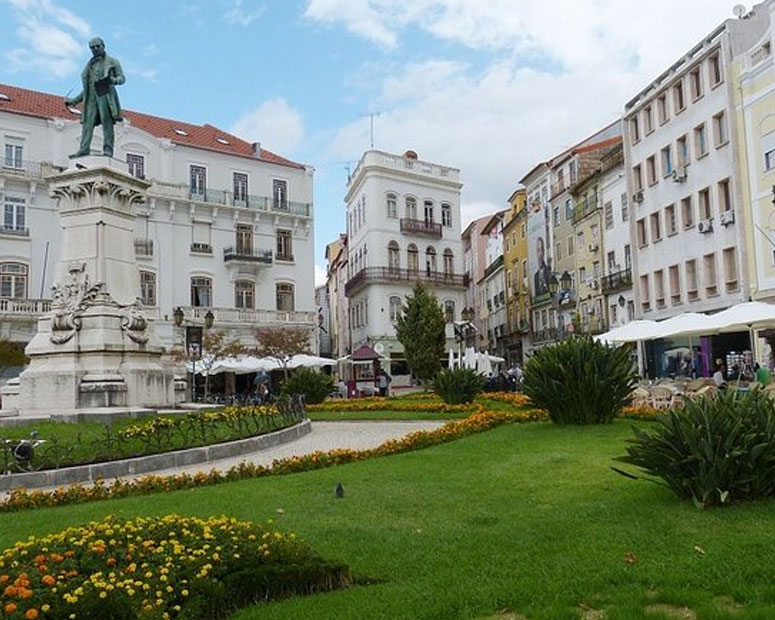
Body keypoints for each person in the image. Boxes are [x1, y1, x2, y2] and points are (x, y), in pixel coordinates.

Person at [65, 37, 125, 158]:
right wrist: (74, 101)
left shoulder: (113, 62)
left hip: (105, 96)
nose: (95, 49)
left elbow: (122, 78)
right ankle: (84, 149)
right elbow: (87, 89)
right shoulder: (89, 65)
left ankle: (108, 149)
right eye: (92, 47)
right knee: (87, 124)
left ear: (103, 46)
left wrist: (112, 80)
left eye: (98, 46)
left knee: (107, 123)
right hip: (91, 99)